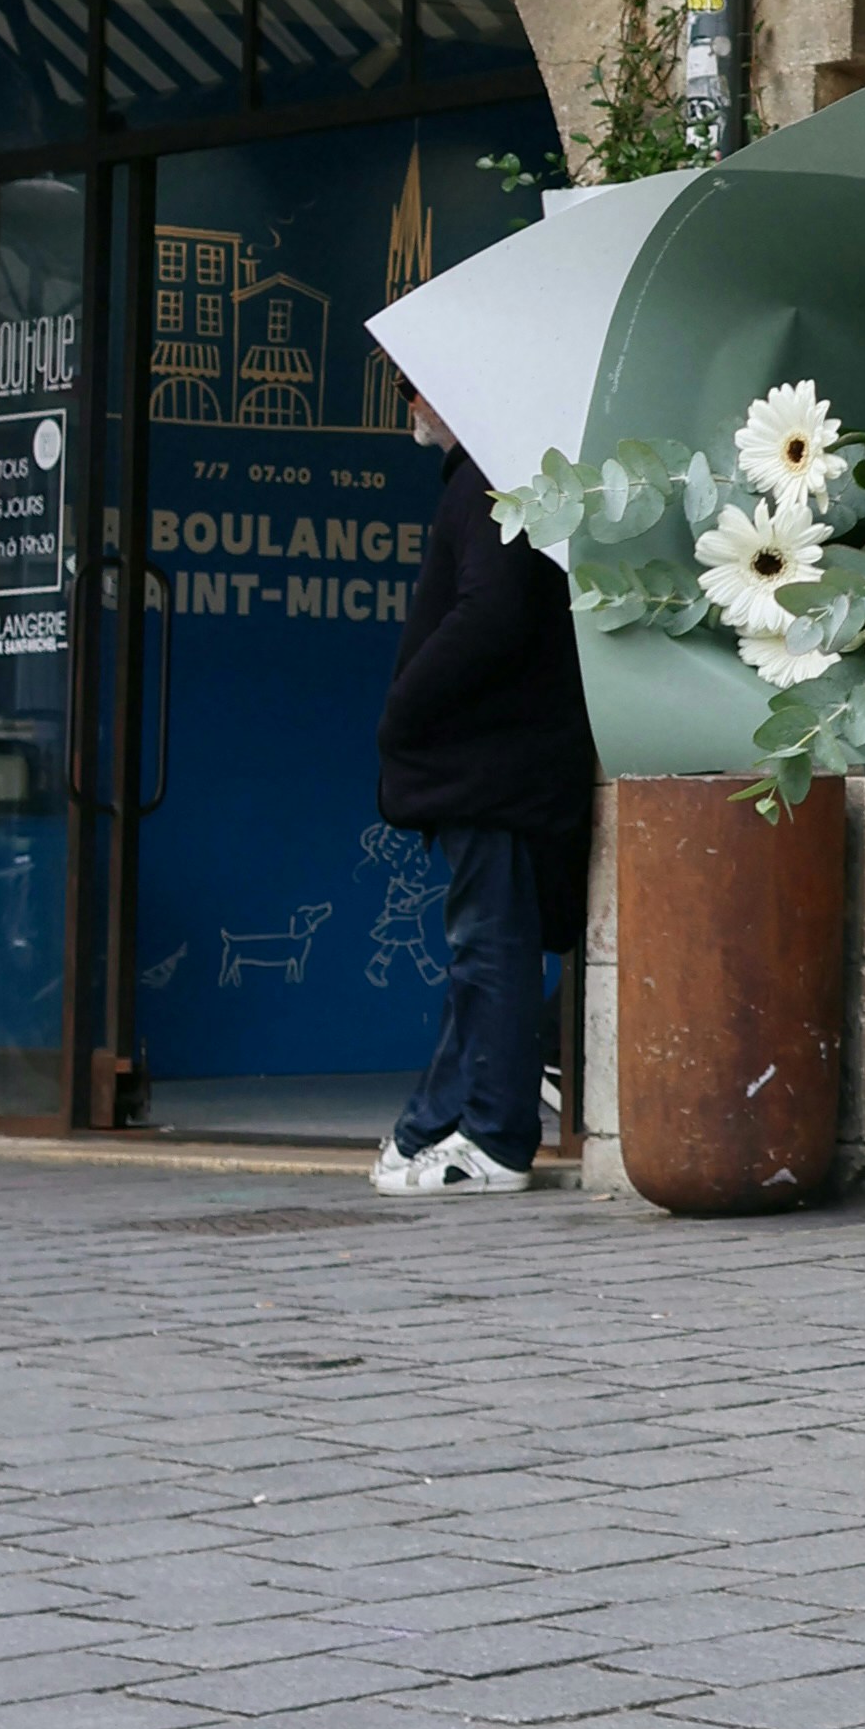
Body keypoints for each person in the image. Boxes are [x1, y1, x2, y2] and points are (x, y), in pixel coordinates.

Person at [373, 399, 598, 1192]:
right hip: (507, 762)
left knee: (491, 947)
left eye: (418, 387)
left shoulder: (490, 482)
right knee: (481, 946)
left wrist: (406, 702)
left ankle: (496, 1141)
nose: (409, 407)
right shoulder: (505, 479)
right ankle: (432, 1123)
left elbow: (492, 614)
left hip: (494, 763)